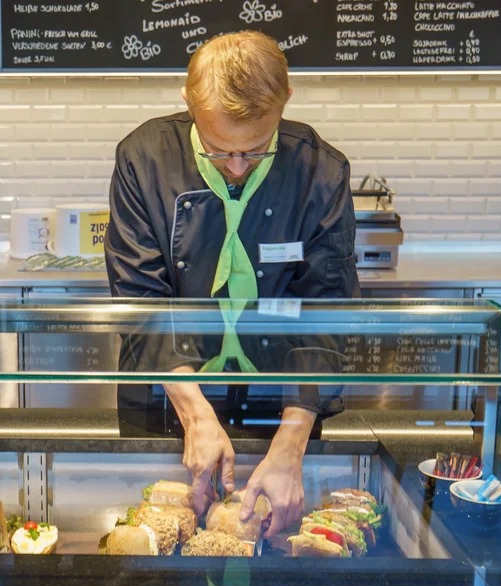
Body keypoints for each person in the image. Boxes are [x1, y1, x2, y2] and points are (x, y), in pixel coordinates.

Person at [105, 31, 359, 537]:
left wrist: (290, 444)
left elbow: (326, 314)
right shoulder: (143, 159)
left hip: (282, 408)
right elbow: (139, 300)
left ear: (285, 101)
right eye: (219, 151)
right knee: (157, 547)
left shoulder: (321, 173)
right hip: (170, 399)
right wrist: (196, 416)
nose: (238, 167)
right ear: (189, 102)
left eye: (257, 150)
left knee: (271, 549)